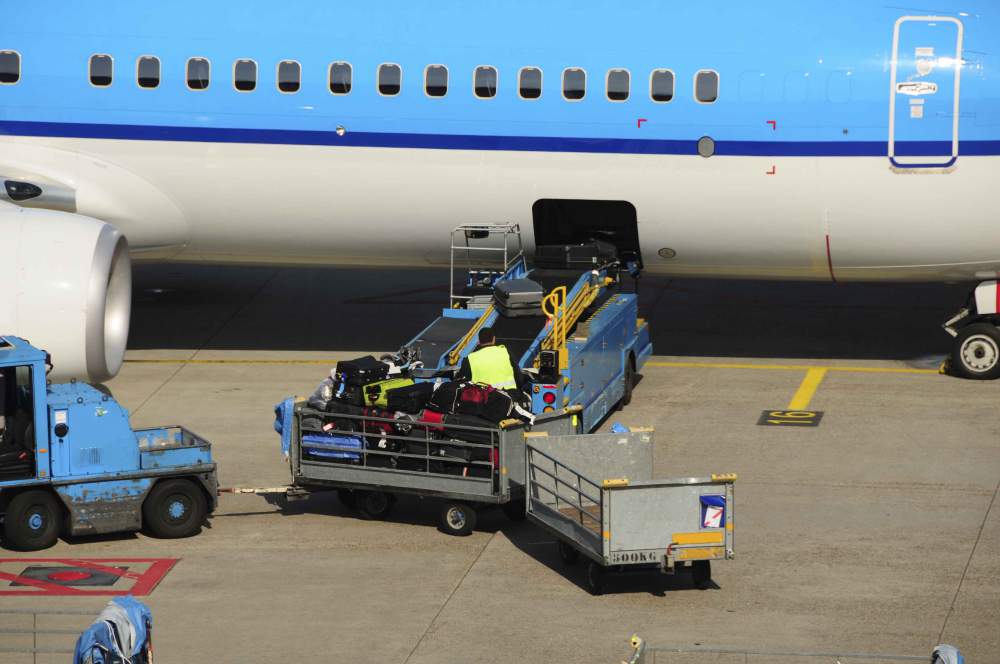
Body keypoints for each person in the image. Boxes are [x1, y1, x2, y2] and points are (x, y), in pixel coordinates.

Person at [456, 327, 523, 392]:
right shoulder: (505, 352)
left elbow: (462, 381)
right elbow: (518, 377)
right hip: (509, 396)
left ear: (479, 341)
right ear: (494, 339)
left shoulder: (470, 358)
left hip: (483, 399)